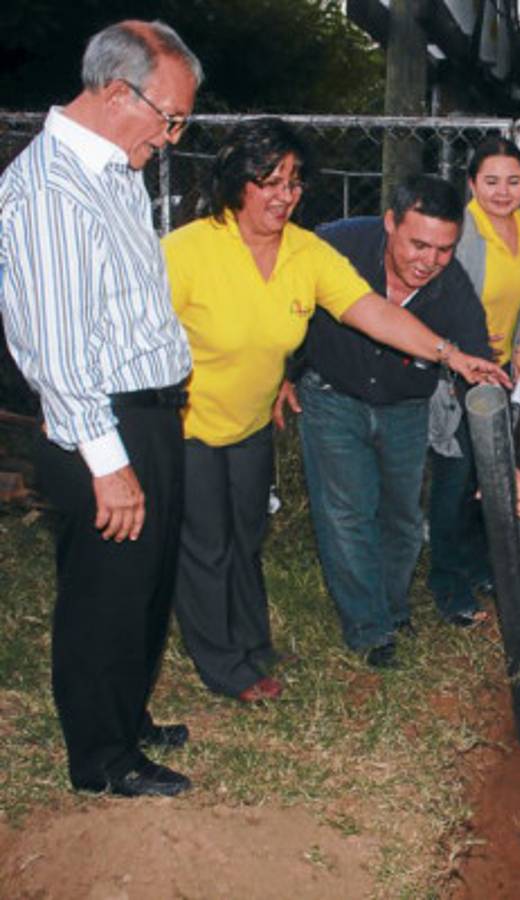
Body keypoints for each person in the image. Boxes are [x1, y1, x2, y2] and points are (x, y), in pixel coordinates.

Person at [164, 122, 504, 698]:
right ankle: (226, 668)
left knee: (245, 540)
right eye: (267, 181)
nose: (283, 195)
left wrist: (453, 356)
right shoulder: (188, 249)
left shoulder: (305, 251)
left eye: (294, 182)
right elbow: (138, 336)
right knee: (206, 546)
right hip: (184, 422)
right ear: (236, 181)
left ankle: (253, 647)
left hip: (249, 425)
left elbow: (370, 311)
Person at [0, 21, 202, 796]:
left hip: (147, 412)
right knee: (105, 592)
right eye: (170, 117)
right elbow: (56, 349)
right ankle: (102, 757)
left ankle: (126, 713)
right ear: (119, 94)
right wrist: (109, 465)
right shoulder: (50, 188)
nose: (172, 136)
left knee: (145, 581)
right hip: (100, 422)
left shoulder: (116, 170)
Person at [275, 175, 512, 668]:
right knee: (347, 512)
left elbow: (480, 373)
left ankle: (391, 603)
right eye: (418, 244)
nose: (429, 260)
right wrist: (282, 371)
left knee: (403, 518)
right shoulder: (336, 245)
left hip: (406, 405)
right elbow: (281, 304)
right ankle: (370, 628)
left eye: (444, 249)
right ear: (390, 223)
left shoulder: (452, 286)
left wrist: (503, 462)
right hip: (331, 393)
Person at [428, 136, 520, 625]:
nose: (502, 191)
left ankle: (477, 563)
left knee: (488, 474)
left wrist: (519, 342)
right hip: (459, 372)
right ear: (471, 183)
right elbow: (433, 293)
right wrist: (461, 345)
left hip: (502, 373)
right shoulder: (463, 231)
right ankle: (447, 583)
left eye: (513, 181)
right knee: (455, 478)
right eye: (491, 181)